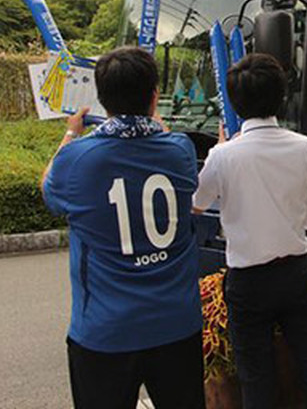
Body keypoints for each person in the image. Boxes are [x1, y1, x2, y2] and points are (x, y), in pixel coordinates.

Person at [41, 47, 204, 409]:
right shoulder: (179, 150)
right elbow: (167, 142)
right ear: (155, 95)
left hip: (105, 332)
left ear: (100, 98)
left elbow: (48, 190)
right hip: (177, 323)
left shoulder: (78, 159)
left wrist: (69, 135)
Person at [192, 53, 307, 409]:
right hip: (297, 271)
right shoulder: (305, 147)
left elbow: (195, 202)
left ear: (234, 102)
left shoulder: (223, 156)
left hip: (248, 280)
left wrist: (221, 148)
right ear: (281, 96)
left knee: (255, 374)